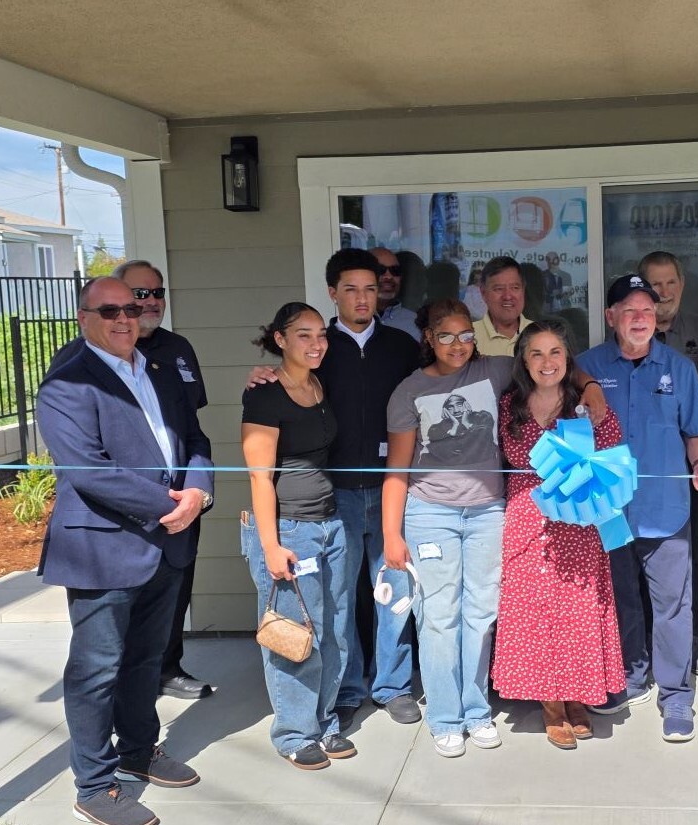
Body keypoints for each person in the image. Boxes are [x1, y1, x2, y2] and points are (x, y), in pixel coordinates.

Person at [383, 299, 605, 758]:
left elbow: (551, 363)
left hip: (488, 512)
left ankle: (477, 710)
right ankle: (446, 717)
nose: (458, 344)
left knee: (481, 615)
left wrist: (592, 385)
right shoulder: (408, 391)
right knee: (439, 616)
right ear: (428, 337)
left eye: (466, 335)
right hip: (430, 514)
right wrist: (391, 533)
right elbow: (397, 469)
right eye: (446, 335)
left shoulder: (497, 370)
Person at [37, 276, 213, 825]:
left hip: (167, 541)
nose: (124, 318)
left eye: (131, 307)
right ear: (84, 318)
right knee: (96, 669)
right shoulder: (66, 383)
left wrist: (200, 489)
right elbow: (88, 470)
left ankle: (138, 750)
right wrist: (170, 503)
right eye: (108, 309)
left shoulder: (154, 370)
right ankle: (94, 784)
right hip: (104, 547)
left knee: (146, 658)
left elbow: (195, 439)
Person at [246, 249, 422, 731]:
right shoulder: (318, 351)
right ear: (332, 293)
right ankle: (346, 688)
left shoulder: (403, 347)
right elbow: (280, 392)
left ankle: (393, 684)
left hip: (391, 488)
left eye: (370, 288)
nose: (362, 297)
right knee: (338, 602)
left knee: (393, 592)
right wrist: (261, 375)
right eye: (351, 289)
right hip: (333, 496)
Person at [577, 274, 698, 743]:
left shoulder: (679, 369)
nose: (641, 319)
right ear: (610, 317)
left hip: (666, 510)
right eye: (630, 310)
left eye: (648, 311)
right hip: (608, 512)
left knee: (673, 605)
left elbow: (696, 430)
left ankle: (677, 697)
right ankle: (632, 676)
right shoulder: (586, 367)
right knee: (620, 598)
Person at [492, 319, 626, 750]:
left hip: (579, 522)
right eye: (537, 353)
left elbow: (612, 450)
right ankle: (550, 704)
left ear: (568, 359)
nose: (546, 362)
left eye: (555, 353)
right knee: (536, 614)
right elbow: (508, 457)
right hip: (529, 520)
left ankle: (577, 698)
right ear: (524, 360)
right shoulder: (509, 404)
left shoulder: (584, 404)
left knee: (577, 613)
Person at [241, 302, 355, 771]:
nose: (315, 343)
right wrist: (270, 545)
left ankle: (324, 721)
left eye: (320, 335)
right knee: (295, 634)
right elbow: (259, 477)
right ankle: (294, 732)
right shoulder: (265, 395)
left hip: (329, 523)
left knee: (334, 631)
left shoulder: (316, 384)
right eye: (302, 335)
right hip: (289, 529)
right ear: (280, 339)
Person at [638, 250, 698, 677]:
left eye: (670, 283)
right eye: (654, 284)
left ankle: (693, 640)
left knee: (692, 554)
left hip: (693, 466)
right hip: (642, 469)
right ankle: (647, 641)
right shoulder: (631, 336)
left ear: (682, 285)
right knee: (639, 554)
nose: (663, 292)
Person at [473, 256, 532, 356]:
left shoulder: (541, 334)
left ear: (523, 290)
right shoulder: (467, 337)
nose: (508, 296)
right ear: (483, 293)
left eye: (515, 288)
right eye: (499, 289)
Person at [371, 247, 420, 341]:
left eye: (395, 270)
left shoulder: (416, 324)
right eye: (380, 270)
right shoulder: (351, 319)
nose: (389, 276)